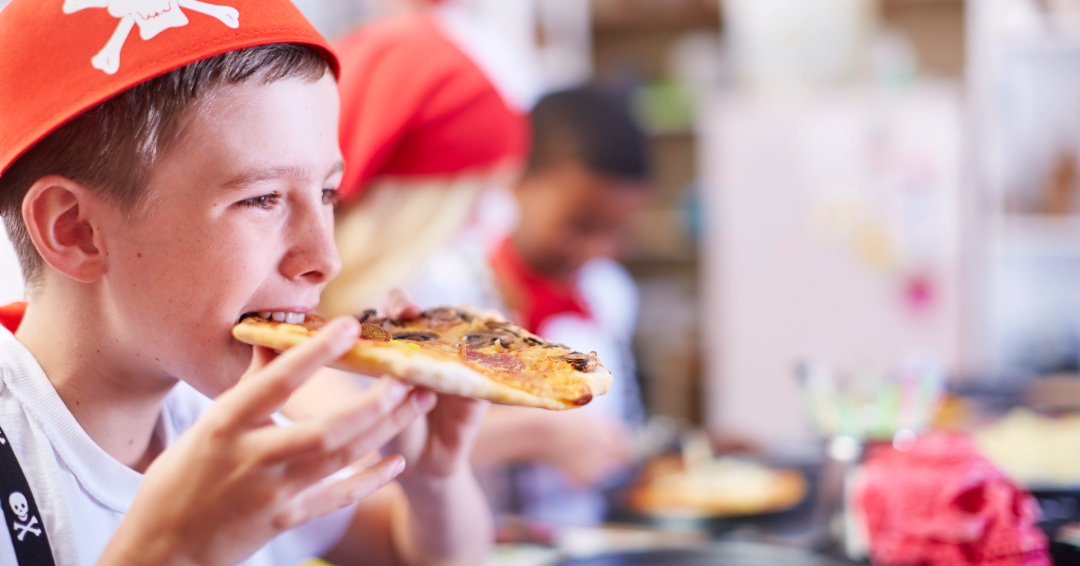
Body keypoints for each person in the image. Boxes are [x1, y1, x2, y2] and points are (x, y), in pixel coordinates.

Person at [0, 1, 490, 564]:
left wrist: (432, 483)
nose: (324, 259)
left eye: (327, 194)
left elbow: (408, 551)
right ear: (76, 230)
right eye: (261, 199)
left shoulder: (223, 422)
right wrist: (170, 551)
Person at [406, 87, 651, 525]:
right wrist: (534, 432)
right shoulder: (446, 288)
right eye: (580, 224)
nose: (598, 249)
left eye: (618, 231)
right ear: (518, 180)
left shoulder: (609, 292)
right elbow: (398, 441)